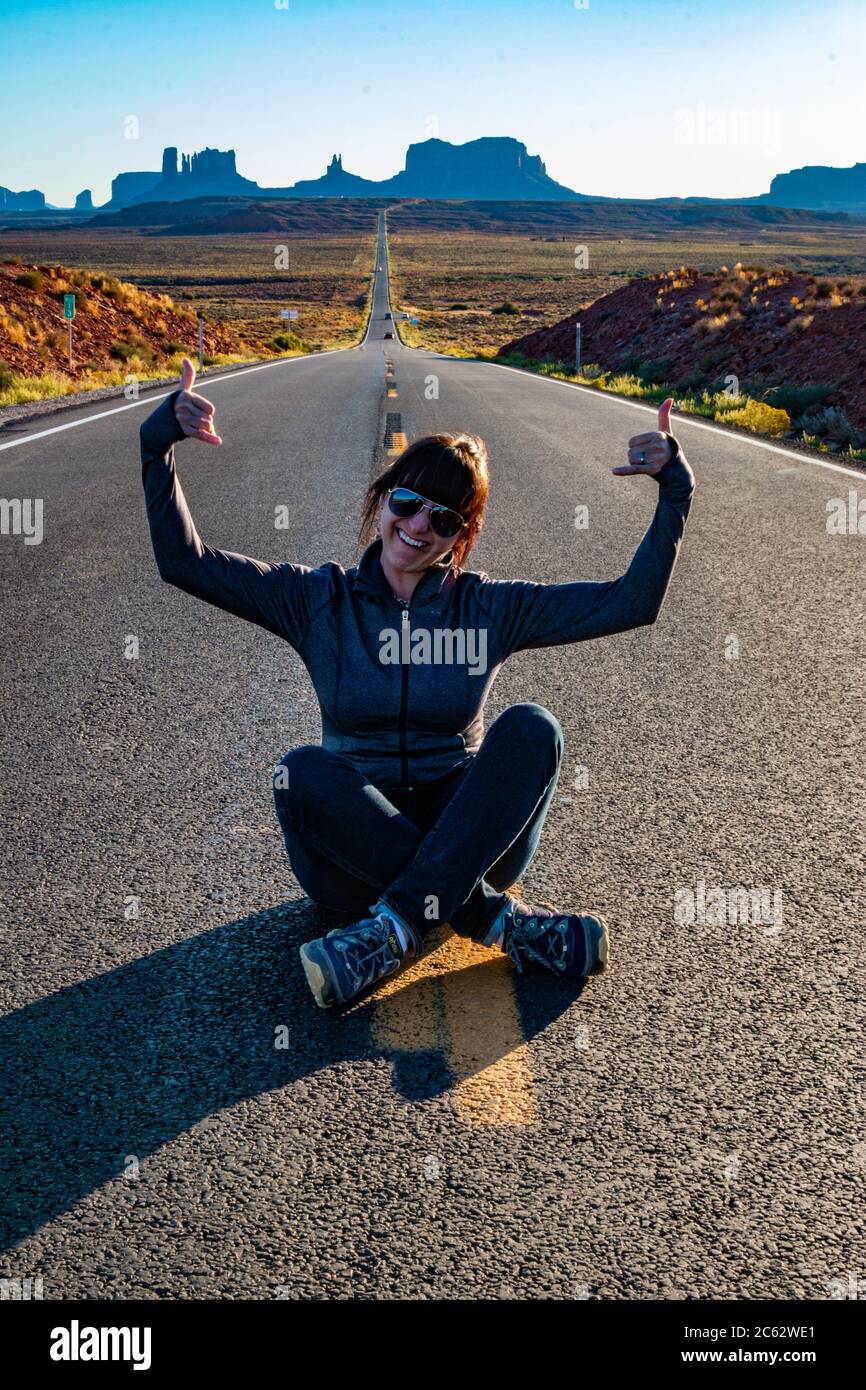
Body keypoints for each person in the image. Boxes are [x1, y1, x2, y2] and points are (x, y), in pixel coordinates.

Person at [140, 356, 696, 1010]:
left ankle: (394, 927)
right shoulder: (316, 599)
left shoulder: (488, 607)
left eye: (444, 519)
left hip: (472, 839)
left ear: (461, 537)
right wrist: (157, 446)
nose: (418, 526)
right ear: (382, 500)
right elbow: (186, 562)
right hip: (350, 857)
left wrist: (676, 492)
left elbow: (628, 603)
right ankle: (500, 924)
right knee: (304, 771)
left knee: (532, 728)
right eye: (407, 501)